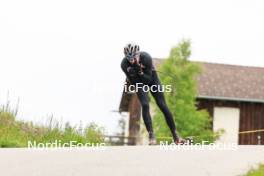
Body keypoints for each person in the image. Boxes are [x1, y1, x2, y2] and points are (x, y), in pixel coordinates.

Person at [121, 43, 184, 145]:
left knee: (162, 105)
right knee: (145, 104)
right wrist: (135, 73)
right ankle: (151, 135)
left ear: (138, 54)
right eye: (129, 58)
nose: (131, 60)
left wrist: (140, 71)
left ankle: (175, 135)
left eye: (134, 57)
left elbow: (148, 79)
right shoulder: (124, 64)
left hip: (152, 79)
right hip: (138, 82)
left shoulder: (146, 58)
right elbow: (135, 82)